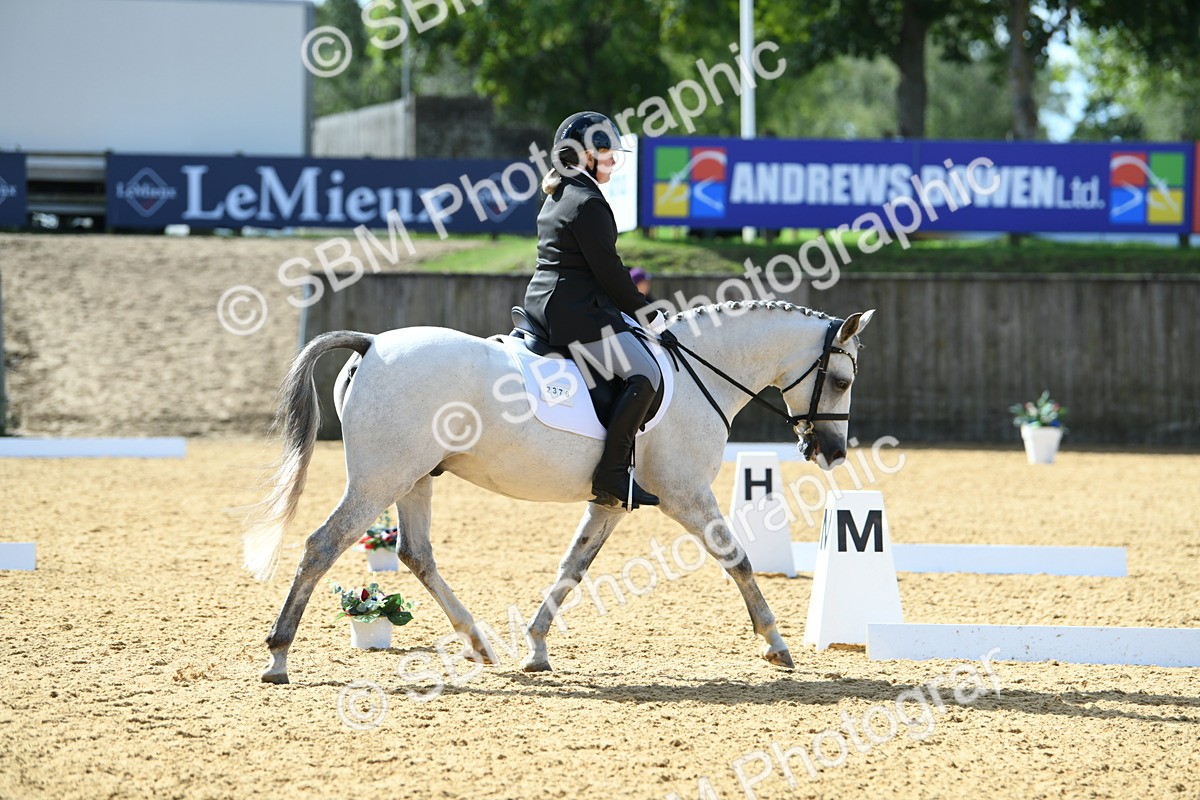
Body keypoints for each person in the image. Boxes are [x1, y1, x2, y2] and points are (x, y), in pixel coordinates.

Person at [523, 111, 674, 510]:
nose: (612, 161)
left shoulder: (561, 192)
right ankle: (612, 474)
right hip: (576, 313)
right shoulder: (588, 202)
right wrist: (649, 315)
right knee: (645, 373)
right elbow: (610, 272)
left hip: (546, 304)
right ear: (584, 154)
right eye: (605, 152)